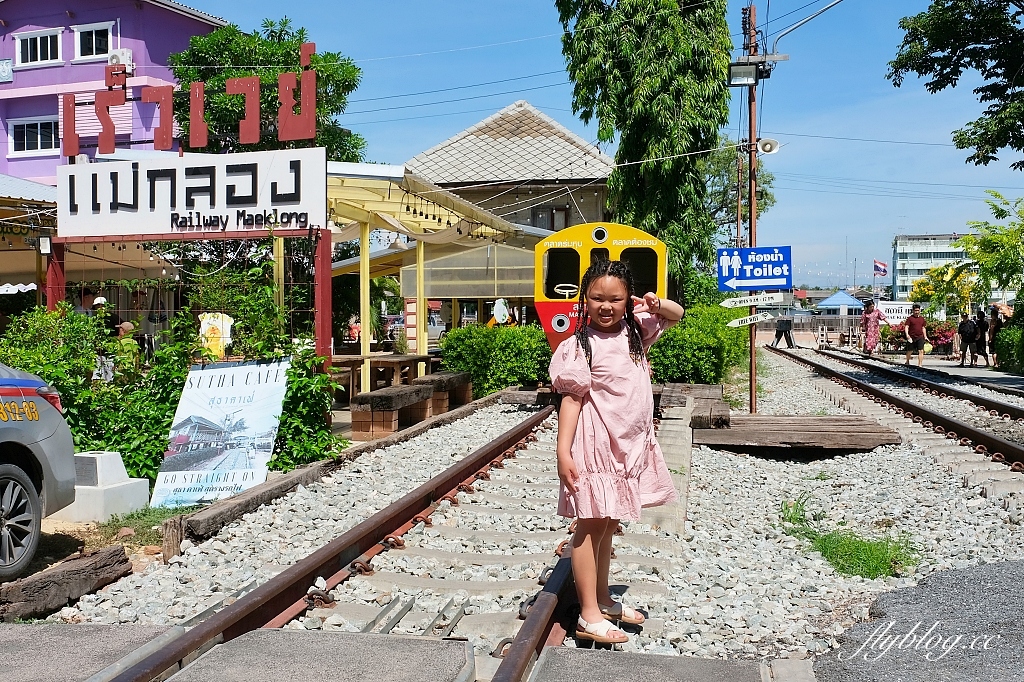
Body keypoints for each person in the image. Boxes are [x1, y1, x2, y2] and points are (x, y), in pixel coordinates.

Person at [549, 259, 684, 645]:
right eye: (596, 298)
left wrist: (655, 304)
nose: (605, 307)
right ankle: (588, 614)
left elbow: (677, 314)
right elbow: (571, 402)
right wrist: (563, 452)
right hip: (596, 447)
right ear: (583, 300)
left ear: (628, 301)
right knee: (590, 527)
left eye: (615, 299)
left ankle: (605, 599)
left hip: (627, 447)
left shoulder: (635, 332)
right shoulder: (579, 346)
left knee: (608, 525)